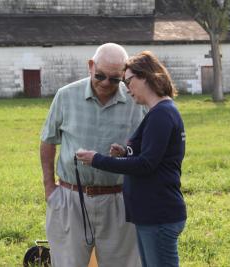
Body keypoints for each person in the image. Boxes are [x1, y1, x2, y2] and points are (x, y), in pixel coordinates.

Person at [76, 51, 187, 267]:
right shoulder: (158, 112)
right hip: (152, 213)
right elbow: (153, 155)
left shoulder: (161, 114)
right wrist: (126, 153)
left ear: (146, 76)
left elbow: (146, 164)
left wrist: (97, 159)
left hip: (158, 214)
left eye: (128, 81)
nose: (127, 89)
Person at [40, 43, 144, 267]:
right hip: (71, 199)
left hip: (120, 200)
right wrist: (49, 188)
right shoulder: (66, 95)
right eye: (100, 75)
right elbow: (48, 141)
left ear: (124, 74)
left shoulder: (137, 101)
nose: (106, 83)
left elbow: (150, 150)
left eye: (115, 79)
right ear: (90, 66)